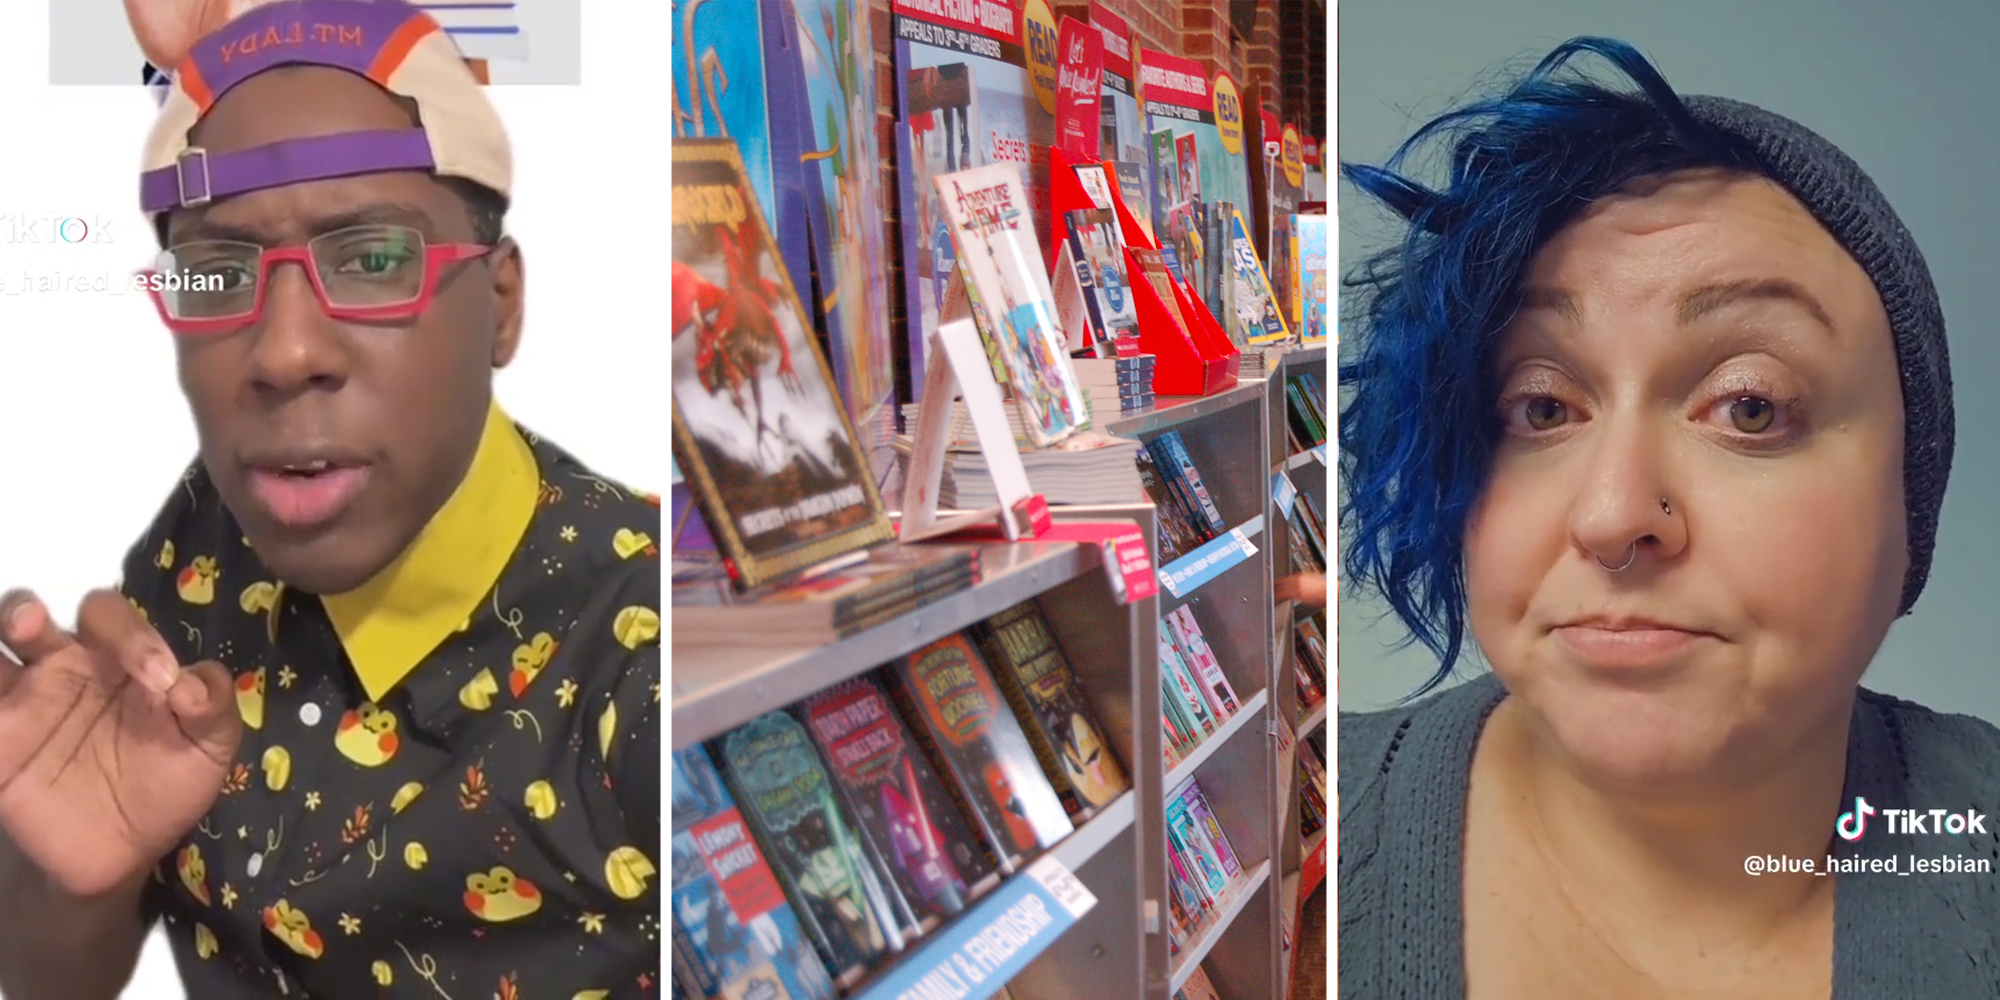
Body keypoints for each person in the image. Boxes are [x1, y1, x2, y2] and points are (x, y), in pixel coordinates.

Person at [0, 1, 661, 996]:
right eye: (219, 273)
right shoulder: (191, 564)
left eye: (374, 258)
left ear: (502, 304)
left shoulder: (643, 656)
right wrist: (80, 883)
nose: (283, 352)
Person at [1337, 38, 2000, 998]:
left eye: (1751, 406)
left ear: (1909, 494)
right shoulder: (1304, 824)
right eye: (1542, 407)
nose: (1613, 517)